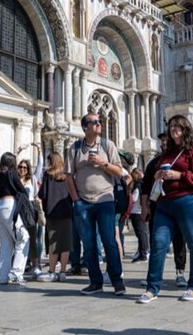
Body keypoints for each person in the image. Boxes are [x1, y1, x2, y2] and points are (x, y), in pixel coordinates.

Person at [137, 115, 193, 304]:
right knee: (158, 244)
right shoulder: (167, 153)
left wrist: (179, 174)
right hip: (164, 204)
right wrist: (160, 174)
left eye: (177, 126)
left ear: (185, 129)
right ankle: (152, 288)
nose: (173, 129)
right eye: (171, 126)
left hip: (188, 202)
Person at [65, 113, 125, 296]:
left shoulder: (108, 145)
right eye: (95, 122)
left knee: (109, 241)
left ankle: (117, 282)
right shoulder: (74, 148)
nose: (99, 124)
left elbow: (119, 171)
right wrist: (76, 200)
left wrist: (102, 163)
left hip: (105, 200)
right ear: (85, 127)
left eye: (100, 121)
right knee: (89, 244)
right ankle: (95, 282)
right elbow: (68, 175)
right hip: (83, 202)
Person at [141, 132, 188, 287]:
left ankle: (180, 272)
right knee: (157, 241)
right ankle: (155, 274)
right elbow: (145, 187)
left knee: (179, 240)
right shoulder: (154, 163)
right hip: (157, 206)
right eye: (162, 141)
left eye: (166, 140)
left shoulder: (180, 161)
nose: (163, 143)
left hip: (178, 204)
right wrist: (144, 207)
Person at [0, 152, 30, 285]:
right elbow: (22, 190)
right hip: (9, 206)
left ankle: (3, 276)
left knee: (6, 244)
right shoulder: (11, 173)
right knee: (23, 238)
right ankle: (16, 273)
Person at [37, 152, 73, 282]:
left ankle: (52, 271)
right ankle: (63, 272)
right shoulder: (67, 175)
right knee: (65, 243)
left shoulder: (48, 175)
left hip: (52, 213)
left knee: (53, 244)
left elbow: (43, 194)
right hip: (67, 212)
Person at [17, 143, 43, 277]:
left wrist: (39, 150)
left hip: (31, 209)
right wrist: (19, 150)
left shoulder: (32, 179)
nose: (22, 169)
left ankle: (35, 265)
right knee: (18, 237)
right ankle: (21, 263)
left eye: (25, 167)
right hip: (17, 209)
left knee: (33, 238)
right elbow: (8, 166)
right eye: (20, 167)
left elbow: (40, 166)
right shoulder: (14, 179)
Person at [129, 168, 149, 263]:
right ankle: (144, 252)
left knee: (140, 234)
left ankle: (143, 254)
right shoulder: (145, 183)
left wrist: (129, 195)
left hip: (136, 211)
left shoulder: (137, 184)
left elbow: (134, 198)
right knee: (144, 233)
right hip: (143, 210)